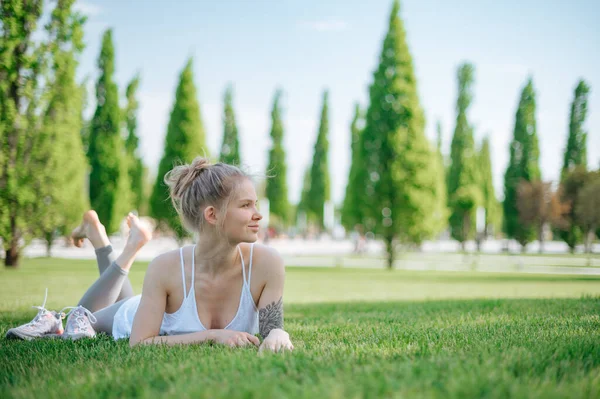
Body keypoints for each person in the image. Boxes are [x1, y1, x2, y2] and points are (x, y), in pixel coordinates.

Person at [6, 157, 294, 353]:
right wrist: (213, 336)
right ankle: (116, 248)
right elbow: (139, 342)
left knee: (122, 301)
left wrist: (279, 334)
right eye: (246, 206)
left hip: (153, 306)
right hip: (133, 315)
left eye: (255, 204)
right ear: (212, 215)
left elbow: (272, 331)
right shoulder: (166, 267)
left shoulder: (267, 264)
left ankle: (100, 237)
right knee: (79, 320)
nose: (258, 215)